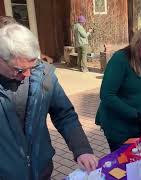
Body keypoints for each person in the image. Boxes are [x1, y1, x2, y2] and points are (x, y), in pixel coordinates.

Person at [0, 23, 97, 179]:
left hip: (42, 171)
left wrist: (82, 149)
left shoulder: (43, 74)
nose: (27, 74)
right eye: (19, 70)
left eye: (31, 66)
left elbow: (64, 114)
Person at [95, 25, 141, 152]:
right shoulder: (120, 60)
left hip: (138, 122)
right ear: (139, 43)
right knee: (123, 160)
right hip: (117, 124)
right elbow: (107, 95)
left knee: (140, 156)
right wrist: (134, 114)